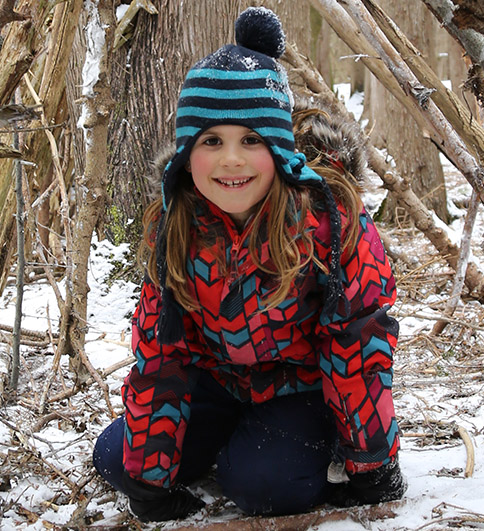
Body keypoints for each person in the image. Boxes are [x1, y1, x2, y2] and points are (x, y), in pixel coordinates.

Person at [91, 7, 405, 522]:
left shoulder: (327, 224)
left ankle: (299, 449)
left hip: (301, 386)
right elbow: (161, 351)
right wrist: (151, 479)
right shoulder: (176, 226)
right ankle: (223, 441)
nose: (231, 160)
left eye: (251, 141)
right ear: (187, 155)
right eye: (211, 141)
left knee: (264, 487)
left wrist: (371, 461)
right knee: (118, 460)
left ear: (279, 149)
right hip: (216, 381)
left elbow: (358, 342)